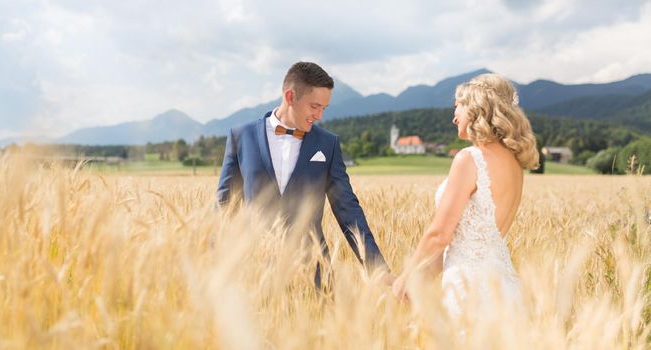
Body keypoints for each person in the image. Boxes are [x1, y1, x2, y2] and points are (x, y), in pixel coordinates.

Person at [217, 61, 389, 288]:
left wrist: (378, 270)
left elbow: (348, 209)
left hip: (315, 274)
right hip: (255, 273)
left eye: (324, 109)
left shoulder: (328, 144)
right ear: (290, 97)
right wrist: (212, 265)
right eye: (314, 107)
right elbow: (224, 208)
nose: (319, 116)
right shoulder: (241, 137)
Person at [392, 73, 539, 318]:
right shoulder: (514, 164)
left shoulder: (470, 159)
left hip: (469, 290)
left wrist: (405, 278)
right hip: (506, 287)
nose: (453, 117)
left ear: (475, 108)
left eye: (457, 108)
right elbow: (469, 243)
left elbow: (440, 234)